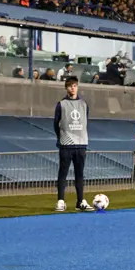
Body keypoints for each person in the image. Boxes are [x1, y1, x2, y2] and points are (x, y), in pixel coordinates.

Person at [53, 77, 94, 211]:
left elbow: (84, 121)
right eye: (70, 86)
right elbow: (56, 123)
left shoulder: (84, 104)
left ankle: (80, 201)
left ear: (78, 87)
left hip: (81, 144)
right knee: (63, 173)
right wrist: (61, 137)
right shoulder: (61, 104)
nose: (73, 88)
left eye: (75, 85)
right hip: (66, 144)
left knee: (79, 174)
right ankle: (60, 201)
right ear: (66, 88)